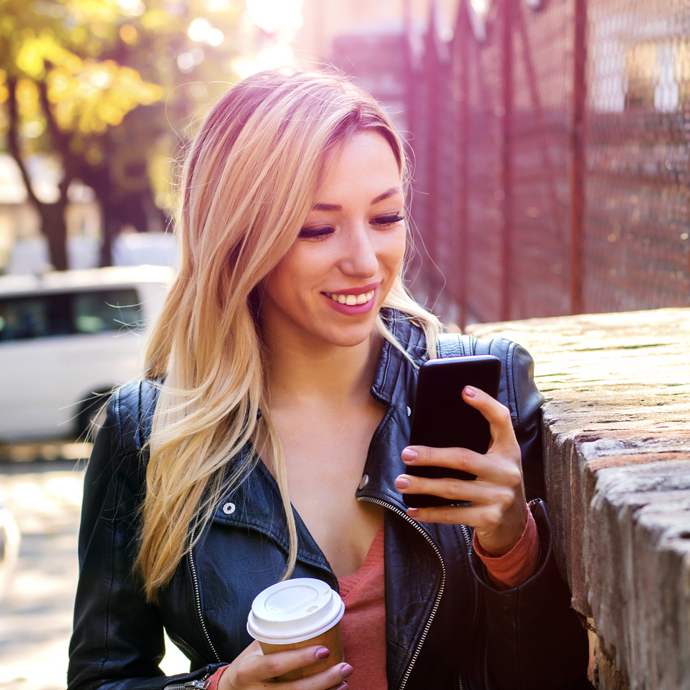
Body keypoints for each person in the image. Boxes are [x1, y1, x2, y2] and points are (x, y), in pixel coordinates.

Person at [68, 69, 591, 690]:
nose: (365, 262)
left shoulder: (485, 391)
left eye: (386, 217)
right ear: (239, 239)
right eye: (318, 228)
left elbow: (556, 673)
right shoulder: (145, 435)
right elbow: (102, 678)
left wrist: (513, 548)